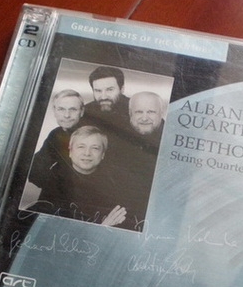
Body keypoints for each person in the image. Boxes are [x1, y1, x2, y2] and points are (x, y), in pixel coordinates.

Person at [28, 126, 127, 227]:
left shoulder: (114, 187)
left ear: (103, 154)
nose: (87, 153)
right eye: (81, 147)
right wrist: (101, 228)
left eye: (95, 148)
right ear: (70, 151)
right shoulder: (54, 180)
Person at [114, 92, 166, 230]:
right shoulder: (117, 138)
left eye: (151, 112)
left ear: (162, 113)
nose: (144, 118)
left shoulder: (173, 139)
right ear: (130, 113)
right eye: (138, 112)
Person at [28, 89, 85, 188]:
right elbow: (33, 170)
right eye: (61, 109)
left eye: (73, 109)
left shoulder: (92, 135)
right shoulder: (56, 134)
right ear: (54, 111)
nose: (67, 115)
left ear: (82, 111)